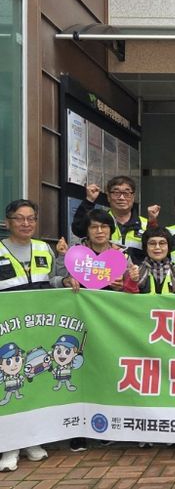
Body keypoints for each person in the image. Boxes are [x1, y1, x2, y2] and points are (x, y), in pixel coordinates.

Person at [0, 199, 78, 472]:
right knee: (11, 386)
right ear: (8, 222)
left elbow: (51, 281)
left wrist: (64, 280)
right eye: (19, 218)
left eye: (31, 218)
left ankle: (32, 440)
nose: (26, 223)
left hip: (39, 327)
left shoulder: (43, 248)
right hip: (8, 330)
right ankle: (9, 446)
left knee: (35, 383)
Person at [71, 176, 159, 264]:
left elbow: (156, 250)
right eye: (116, 193)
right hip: (104, 270)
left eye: (126, 193)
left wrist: (152, 222)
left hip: (137, 272)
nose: (121, 197)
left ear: (133, 197)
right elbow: (78, 230)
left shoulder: (146, 224)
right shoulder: (100, 223)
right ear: (108, 197)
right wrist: (89, 201)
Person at [56, 209, 127, 292]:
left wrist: (123, 287)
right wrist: (64, 281)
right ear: (87, 231)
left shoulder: (122, 256)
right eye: (94, 227)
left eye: (104, 226)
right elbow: (54, 280)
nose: (99, 231)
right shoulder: (75, 254)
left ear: (111, 229)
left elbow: (134, 288)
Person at [124, 227, 175, 294]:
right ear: (146, 247)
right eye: (152, 243)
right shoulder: (135, 272)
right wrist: (133, 281)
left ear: (168, 247)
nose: (157, 247)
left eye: (162, 243)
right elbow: (129, 298)